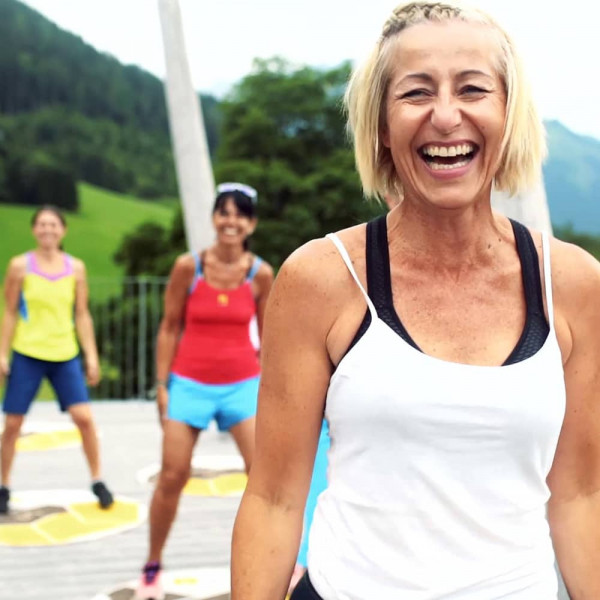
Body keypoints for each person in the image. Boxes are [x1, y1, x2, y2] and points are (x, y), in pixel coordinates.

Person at [231, 2, 600, 599]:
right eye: (416, 92)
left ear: (509, 114)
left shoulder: (575, 284)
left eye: (473, 89)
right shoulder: (322, 279)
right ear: (380, 124)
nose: (446, 116)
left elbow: (582, 495)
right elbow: (274, 499)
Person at [135, 183, 273, 600]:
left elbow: (269, 337)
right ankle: (152, 565)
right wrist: (162, 385)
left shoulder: (260, 273)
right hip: (189, 383)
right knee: (172, 476)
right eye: (224, 213)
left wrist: (272, 388)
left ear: (251, 223)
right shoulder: (187, 267)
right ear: (214, 219)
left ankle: (268, 567)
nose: (231, 221)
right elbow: (169, 327)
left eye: (240, 214)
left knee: (264, 481)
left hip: (242, 385)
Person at [0, 205, 113, 514]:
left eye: (53, 225)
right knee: (12, 423)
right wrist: (2, 352)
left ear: (63, 230)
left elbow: (81, 313)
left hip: (65, 355)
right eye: (42, 224)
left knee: (84, 419)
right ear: (34, 229)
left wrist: (91, 356)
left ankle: (98, 479)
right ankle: (4, 485)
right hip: (28, 354)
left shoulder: (75, 268)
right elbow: (9, 311)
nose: (47, 230)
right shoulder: (19, 266)